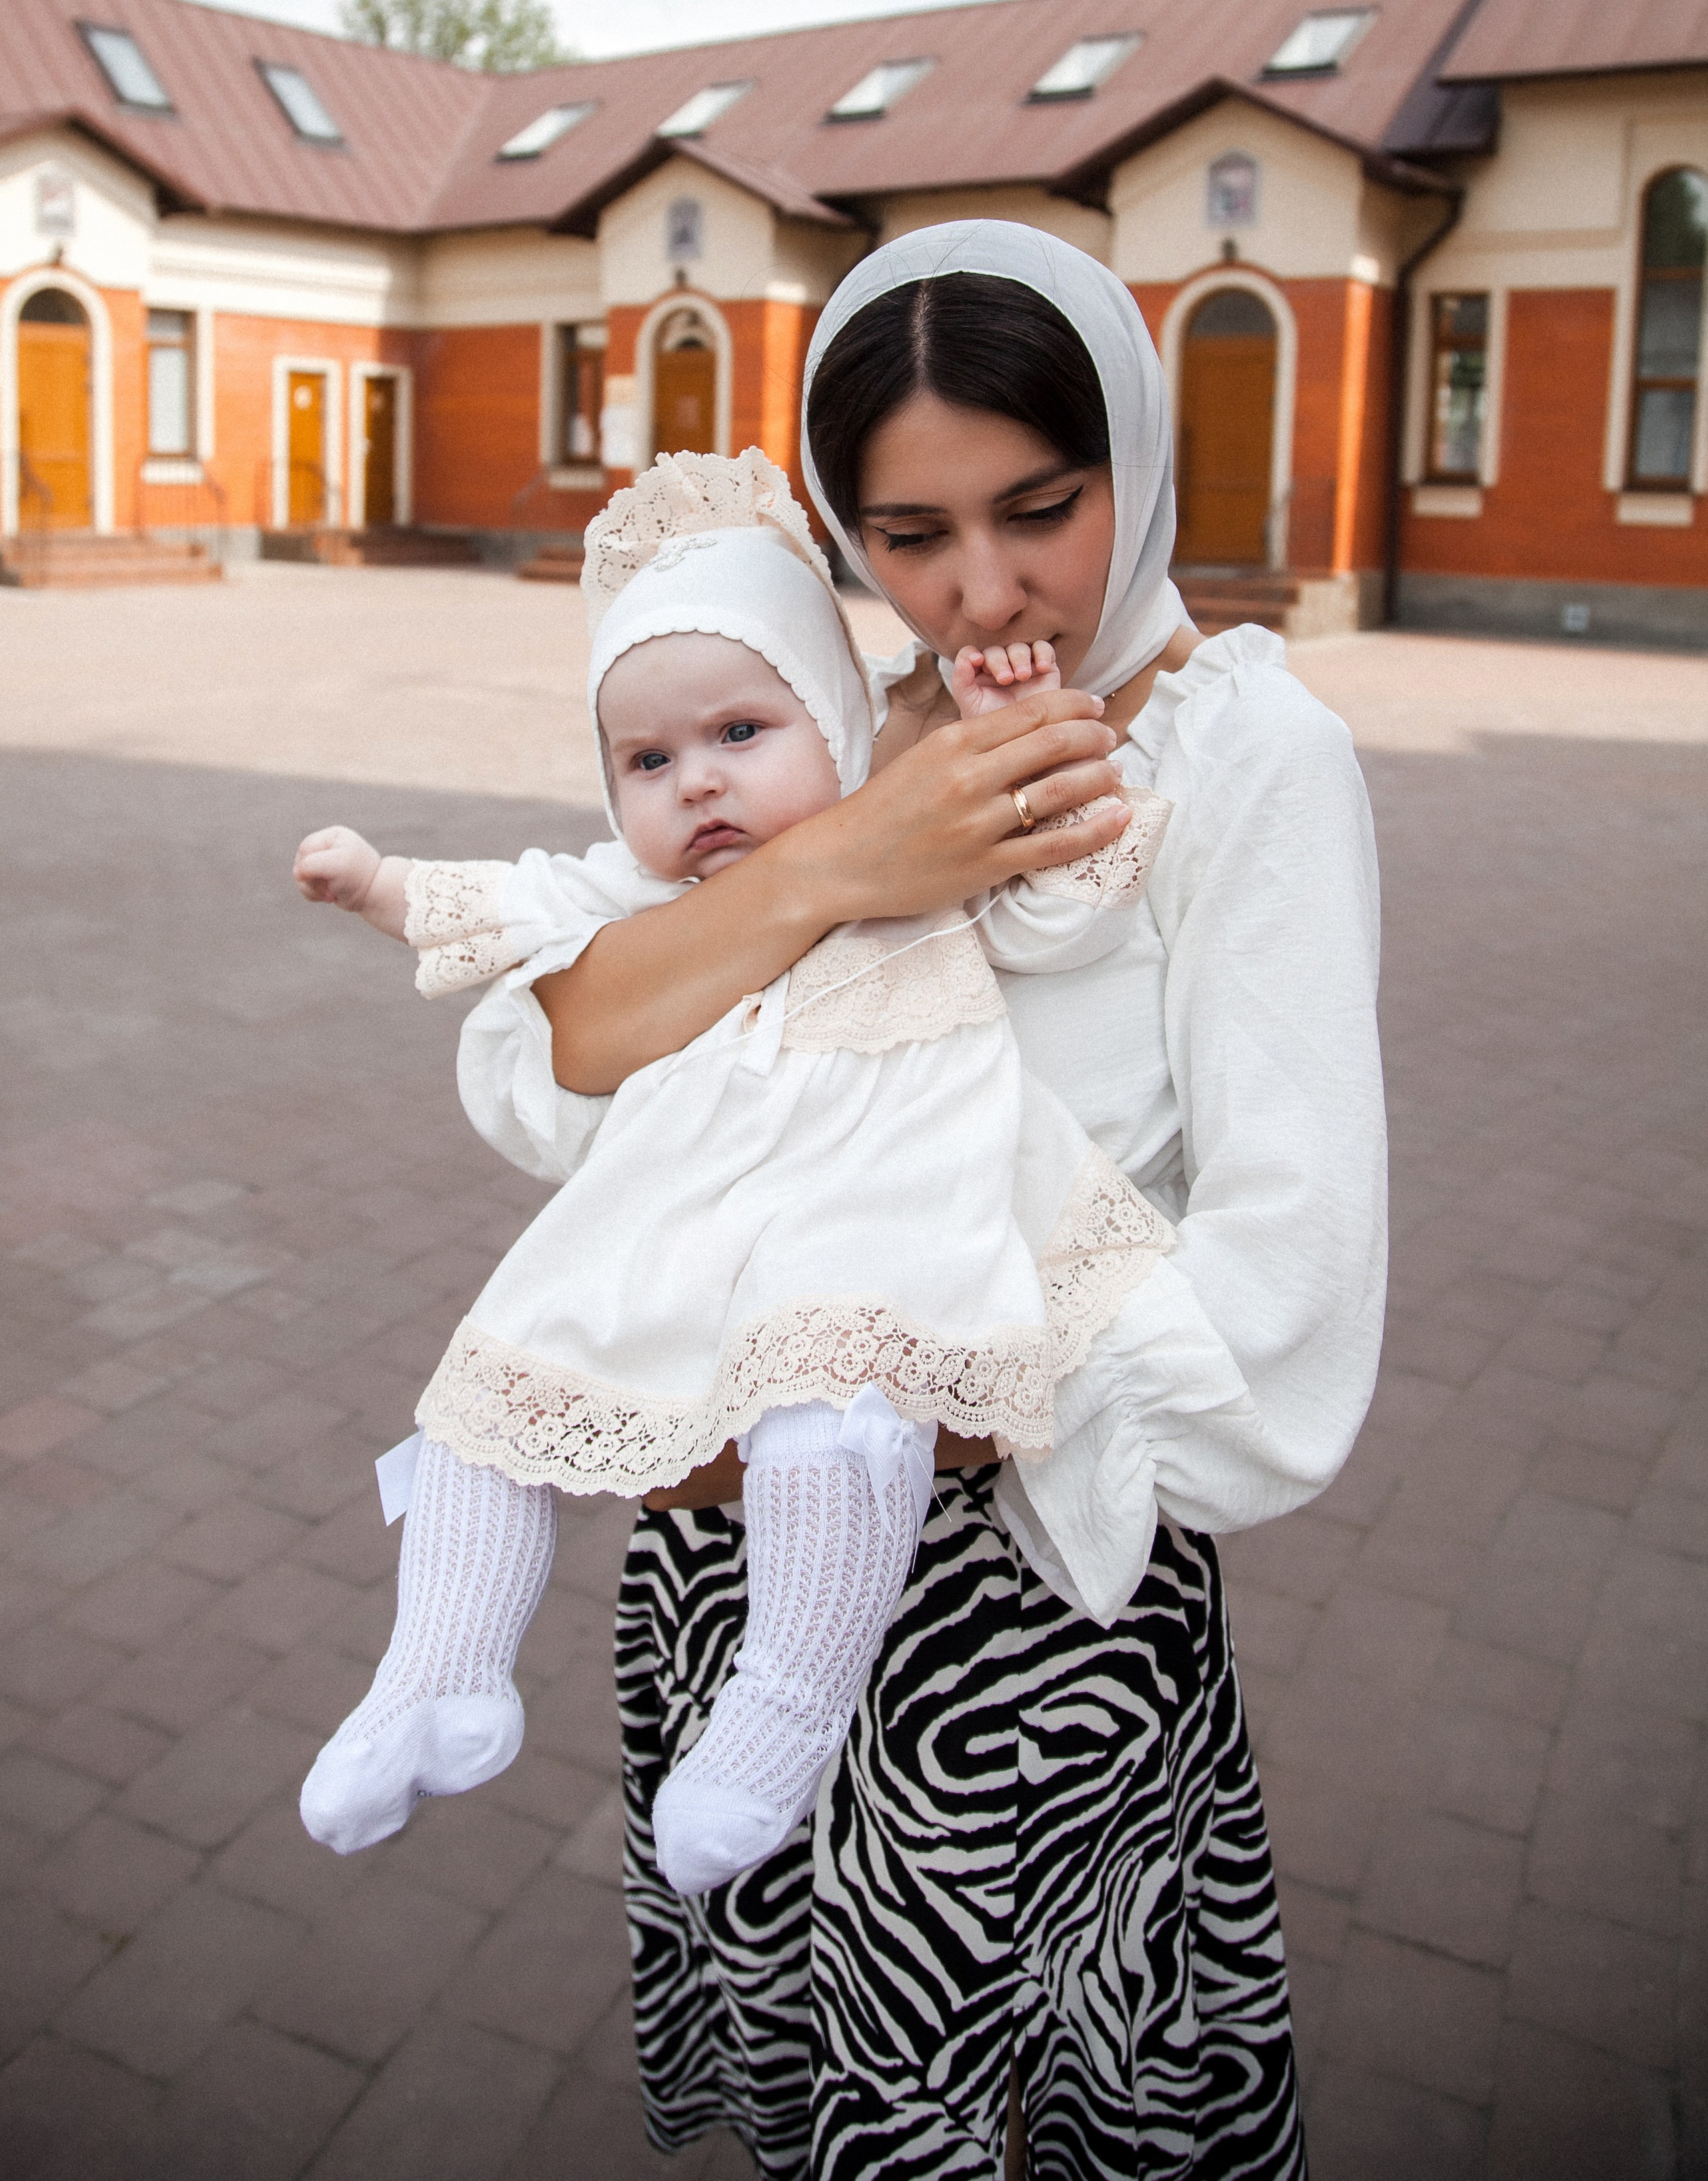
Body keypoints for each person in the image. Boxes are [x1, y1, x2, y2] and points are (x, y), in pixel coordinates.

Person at [508, 224, 1385, 2179]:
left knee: (1032, 2102)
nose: (985, 589)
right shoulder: (842, 732)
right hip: (729, 1588)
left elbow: (1287, 1301)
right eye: (907, 535)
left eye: (1042, 510)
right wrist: (845, 860)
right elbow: (569, 1052)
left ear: (1134, 465)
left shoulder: (1251, 759)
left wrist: (846, 1413)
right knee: (825, 2099)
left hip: (1019, 1619)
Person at [291, 449, 1174, 1902]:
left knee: (831, 1411)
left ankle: (784, 1704)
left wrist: (1020, 730)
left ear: (831, 723)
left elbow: (1070, 897)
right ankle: (435, 1673)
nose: (694, 781)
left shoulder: (916, 863)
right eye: (646, 762)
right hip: (677, 1232)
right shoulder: (644, 901)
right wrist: (382, 886)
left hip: (875, 1220)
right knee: (492, 1392)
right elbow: (522, 906)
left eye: (740, 731)